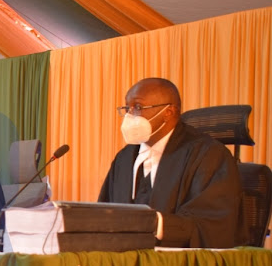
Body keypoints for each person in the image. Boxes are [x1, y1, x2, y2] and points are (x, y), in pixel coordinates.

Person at [98, 77, 245, 248]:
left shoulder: (209, 156)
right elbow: (105, 213)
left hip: (179, 265)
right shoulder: (124, 158)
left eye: (138, 108)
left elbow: (210, 225)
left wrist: (155, 224)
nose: (130, 116)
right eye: (127, 108)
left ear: (168, 112)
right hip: (125, 263)